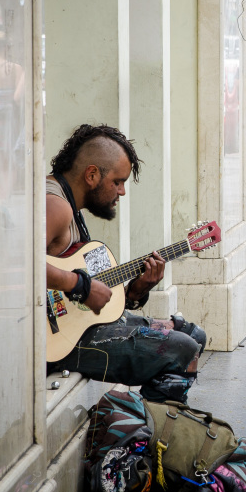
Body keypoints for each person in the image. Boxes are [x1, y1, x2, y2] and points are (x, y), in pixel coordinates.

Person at [46, 124, 207, 402]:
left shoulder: (69, 205)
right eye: (118, 182)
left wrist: (135, 291)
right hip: (56, 341)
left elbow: (87, 297)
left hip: (79, 325)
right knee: (183, 348)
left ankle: (144, 425)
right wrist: (80, 285)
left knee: (191, 333)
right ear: (92, 174)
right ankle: (150, 437)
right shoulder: (55, 205)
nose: (121, 192)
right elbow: (17, 266)